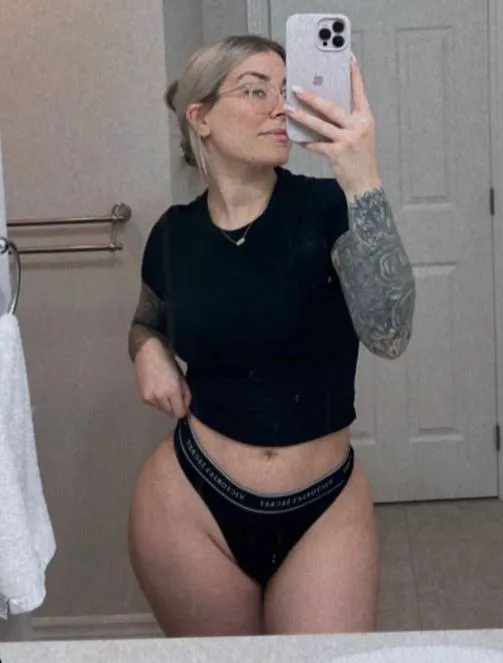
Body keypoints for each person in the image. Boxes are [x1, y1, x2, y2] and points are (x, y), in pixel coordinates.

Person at [126, 35, 415, 638]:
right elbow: (148, 319)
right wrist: (147, 350)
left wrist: (363, 180)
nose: (281, 106)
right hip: (191, 506)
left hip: (323, 506)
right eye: (256, 91)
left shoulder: (327, 207)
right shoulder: (173, 235)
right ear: (201, 118)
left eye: (284, 91)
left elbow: (389, 332)